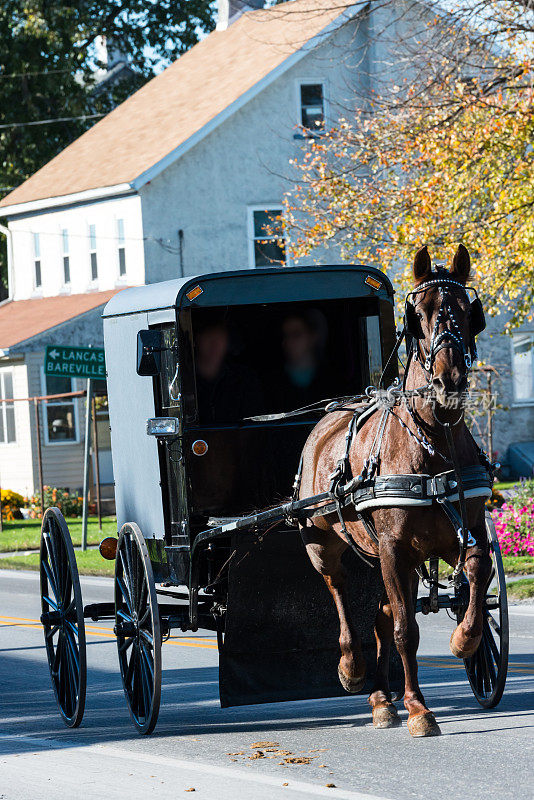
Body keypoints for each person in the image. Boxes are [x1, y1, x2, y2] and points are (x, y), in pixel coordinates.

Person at [195, 318, 264, 424]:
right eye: (209, 336)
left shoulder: (245, 379)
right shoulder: (184, 380)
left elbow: (254, 426)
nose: (215, 344)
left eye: (220, 337)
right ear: (197, 339)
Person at [270, 310, 333, 410]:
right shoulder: (272, 381)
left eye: (296, 334)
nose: (289, 342)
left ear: (313, 337)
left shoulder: (332, 378)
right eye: (285, 335)